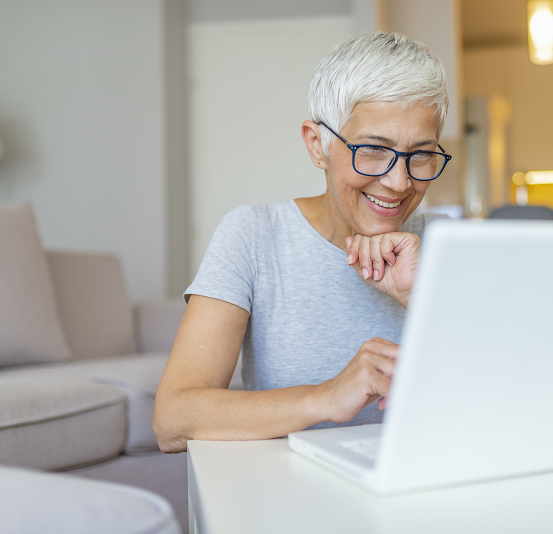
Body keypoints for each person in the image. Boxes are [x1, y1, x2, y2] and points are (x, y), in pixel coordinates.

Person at [153, 31, 452, 453]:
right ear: (318, 145)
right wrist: (326, 397)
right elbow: (173, 420)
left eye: (420, 154)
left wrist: (425, 297)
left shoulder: (450, 245)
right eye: (372, 149)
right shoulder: (254, 236)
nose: (399, 182)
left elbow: (527, 390)